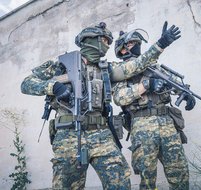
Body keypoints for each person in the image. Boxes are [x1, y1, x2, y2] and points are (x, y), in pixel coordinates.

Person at [20, 22, 165, 189]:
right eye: (104, 40)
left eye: (109, 43)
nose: (106, 46)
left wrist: (160, 45)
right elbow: (26, 83)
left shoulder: (106, 68)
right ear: (89, 39)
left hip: (101, 133)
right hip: (68, 133)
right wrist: (53, 87)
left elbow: (135, 66)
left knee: (120, 182)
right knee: (66, 186)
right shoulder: (60, 65)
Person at [112, 22, 196, 190]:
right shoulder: (118, 70)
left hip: (167, 123)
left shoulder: (154, 67)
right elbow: (119, 98)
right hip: (142, 125)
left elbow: (173, 82)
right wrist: (146, 85)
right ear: (122, 50)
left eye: (137, 43)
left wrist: (186, 93)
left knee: (180, 172)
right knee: (147, 178)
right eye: (131, 43)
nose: (136, 45)